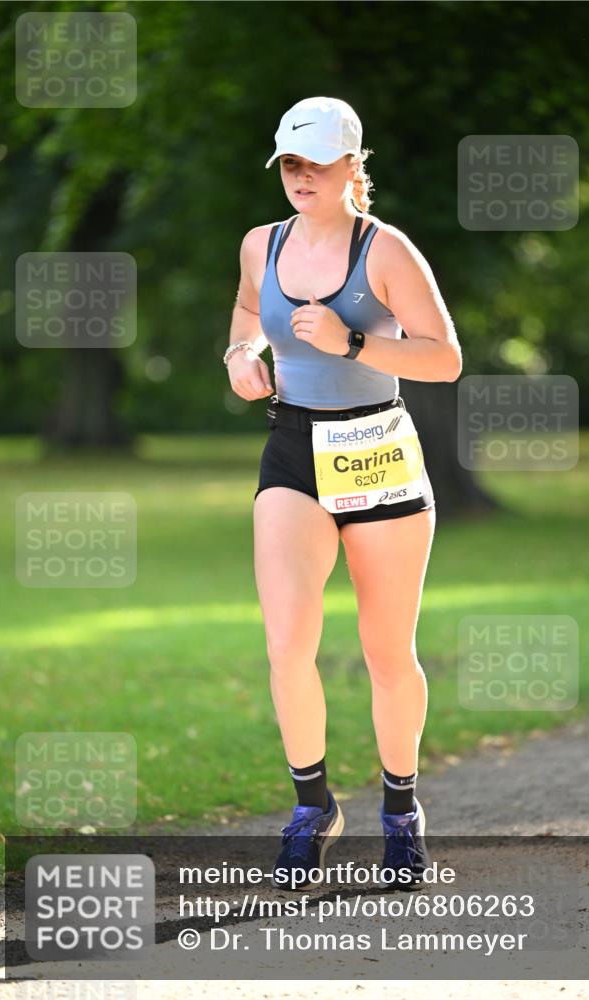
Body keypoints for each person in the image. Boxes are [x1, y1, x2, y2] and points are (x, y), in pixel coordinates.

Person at [224, 96, 462, 891]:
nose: (300, 178)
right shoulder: (262, 244)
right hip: (293, 448)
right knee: (285, 641)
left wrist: (356, 340)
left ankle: (400, 811)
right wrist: (240, 351)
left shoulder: (387, 250)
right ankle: (311, 806)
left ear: (353, 167)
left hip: (375, 451)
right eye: (289, 164)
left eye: (317, 164)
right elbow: (250, 311)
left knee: (386, 652)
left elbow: (444, 358)